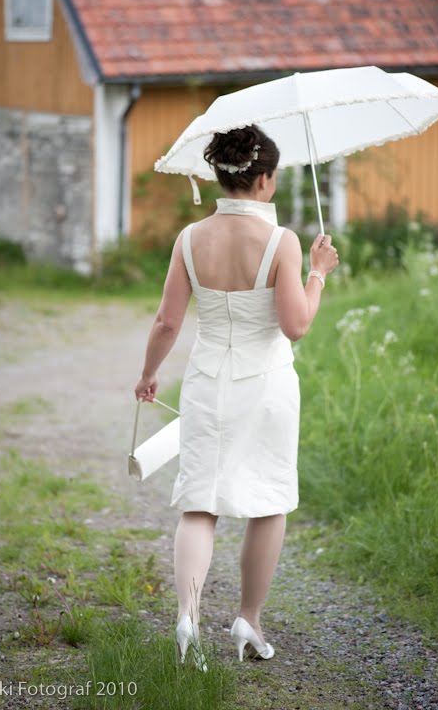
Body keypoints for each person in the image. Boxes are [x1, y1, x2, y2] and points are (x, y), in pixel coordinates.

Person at [134, 124, 339, 670]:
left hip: (207, 381)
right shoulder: (282, 242)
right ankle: (248, 618)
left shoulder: (189, 239)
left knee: (200, 502)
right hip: (266, 384)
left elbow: (167, 322)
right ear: (265, 179)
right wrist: (318, 274)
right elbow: (296, 325)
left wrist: (149, 374)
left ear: (221, 177)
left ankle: (188, 617)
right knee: (267, 500)